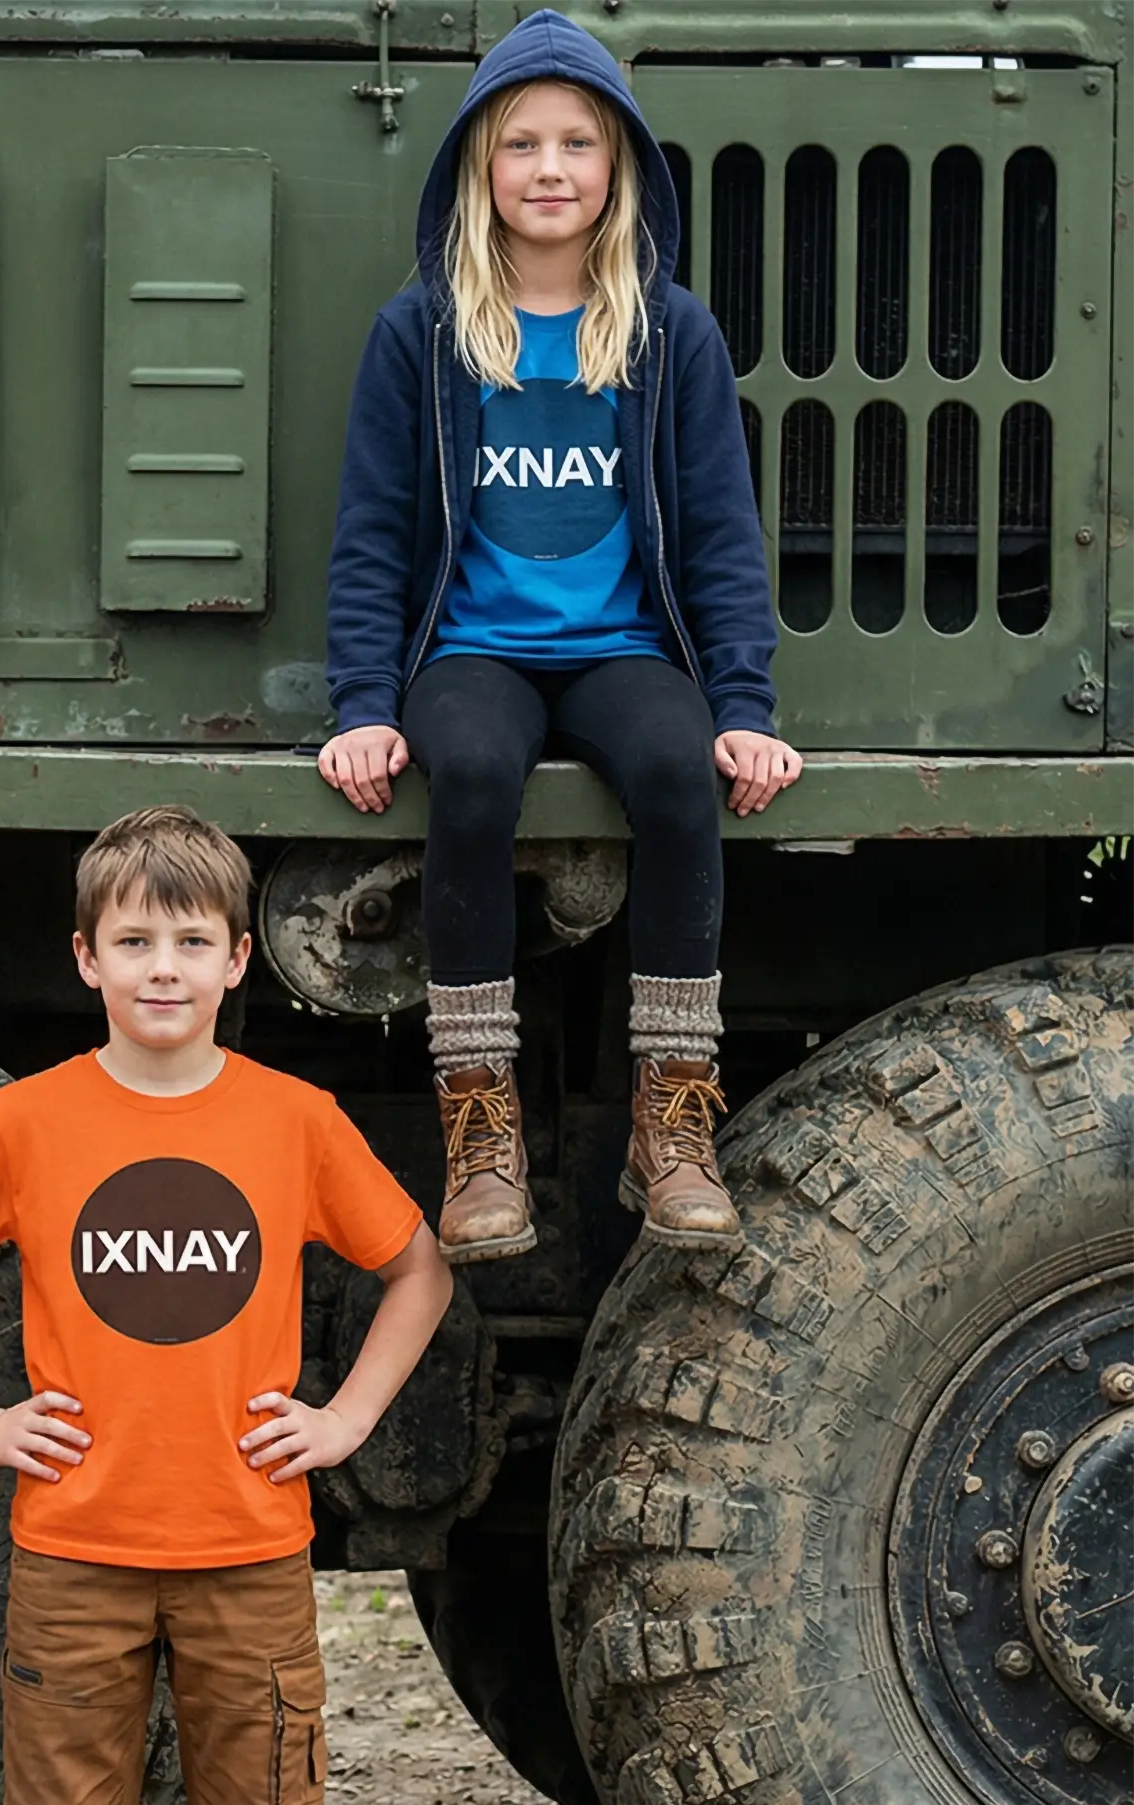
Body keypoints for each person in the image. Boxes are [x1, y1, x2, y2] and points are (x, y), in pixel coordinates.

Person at [0, 805, 450, 1805]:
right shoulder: (30, 1121)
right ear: (86, 959)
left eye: (190, 940)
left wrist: (343, 1417)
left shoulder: (290, 1118)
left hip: (249, 1555)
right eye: (134, 941)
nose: (163, 967)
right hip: (75, 1557)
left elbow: (419, 1271)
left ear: (239, 957)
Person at [319, 8, 802, 1260]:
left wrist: (741, 709)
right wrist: (364, 704)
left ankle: (669, 1119)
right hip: (469, 649)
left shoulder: (664, 332)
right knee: (469, 770)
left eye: (576, 143)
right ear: (478, 169)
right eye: (520, 143)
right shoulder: (420, 332)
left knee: (672, 767)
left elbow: (718, 538)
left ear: (616, 167)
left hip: (618, 649)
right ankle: (478, 1134)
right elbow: (371, 529)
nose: (548, 168)